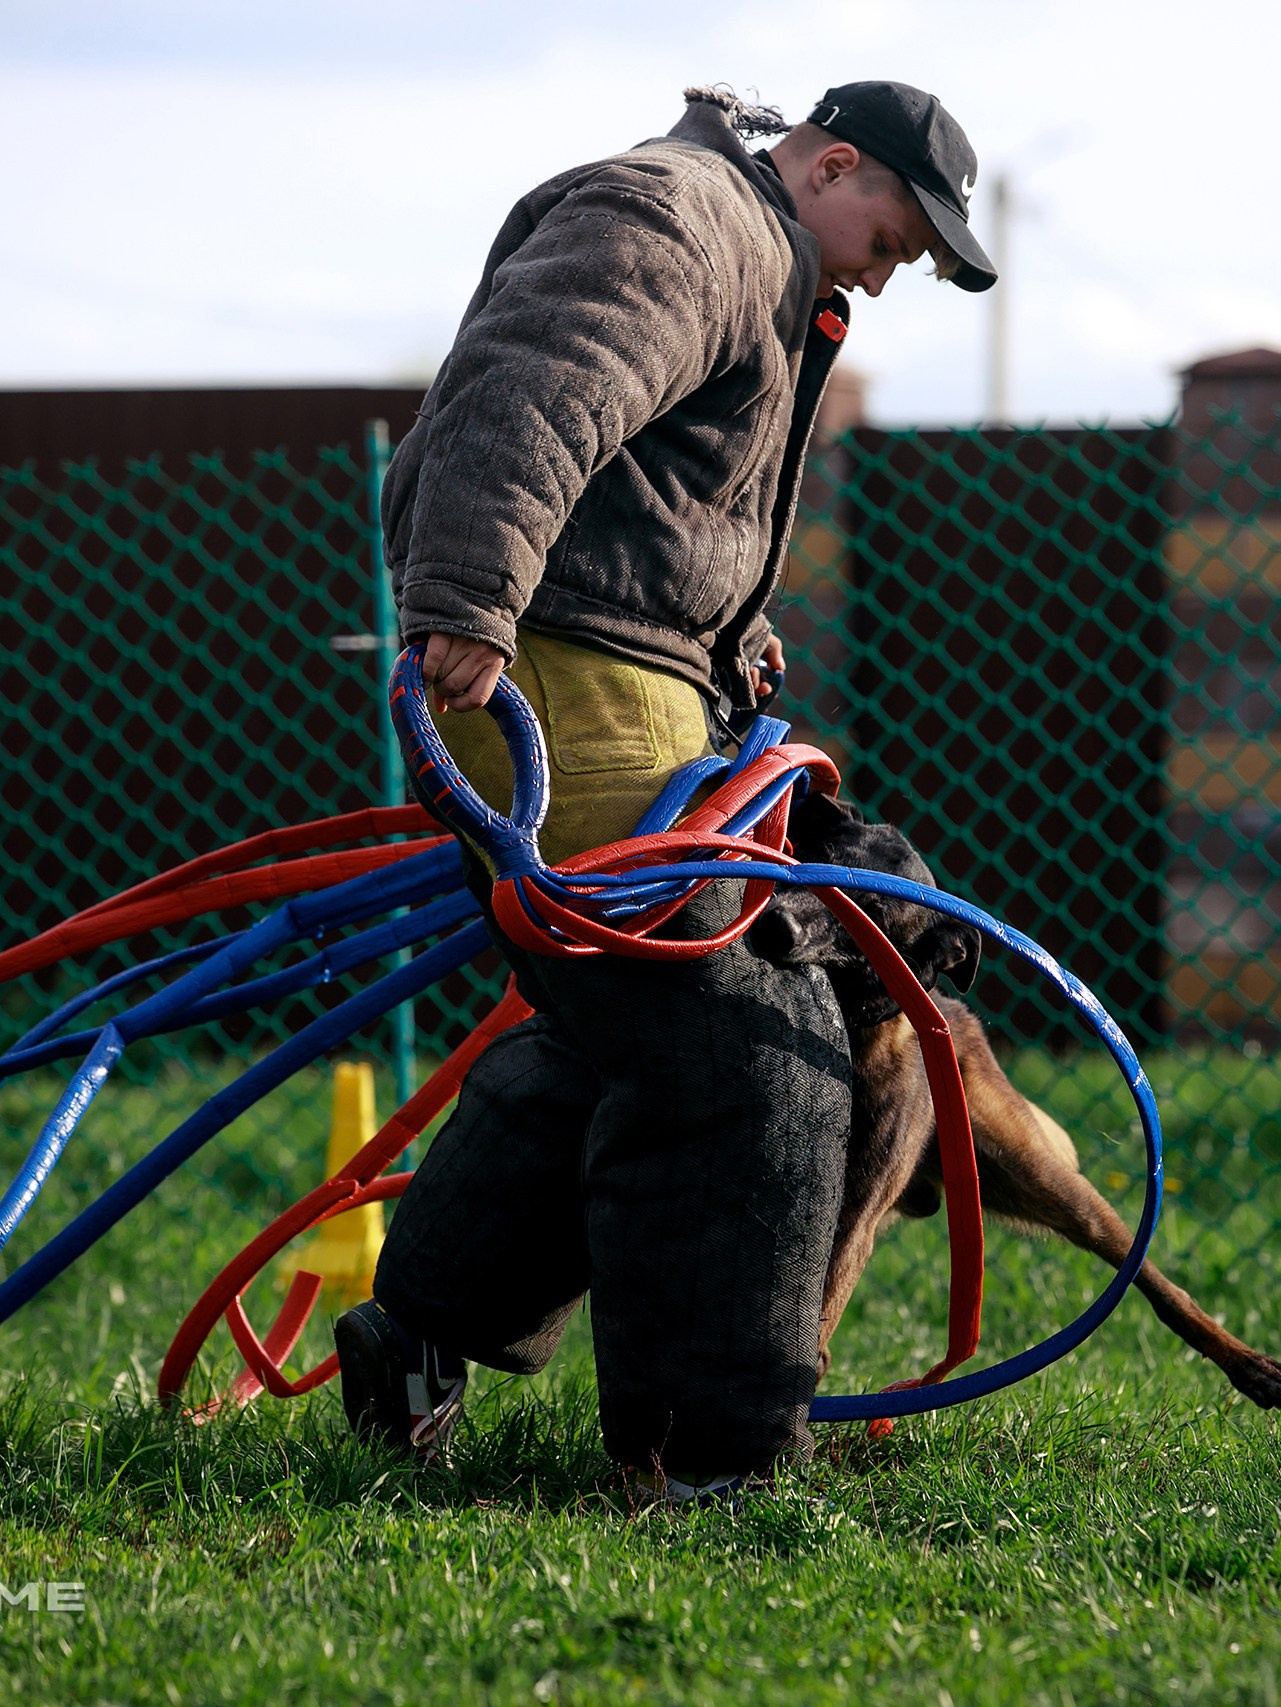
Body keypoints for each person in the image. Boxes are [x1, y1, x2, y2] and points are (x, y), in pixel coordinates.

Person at [335, 80, 998, 1502]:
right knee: (737, 1035)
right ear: (830, 165)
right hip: (560, 679)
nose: (894, 270)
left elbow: (655, 481)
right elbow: (535, 381)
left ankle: (418, 1331)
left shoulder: (762, 257)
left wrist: (723, 635)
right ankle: (708, 1461)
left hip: (639, 674)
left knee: (664, 1011)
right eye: (898, 232)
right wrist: (468, 589)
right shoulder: (684, 218)